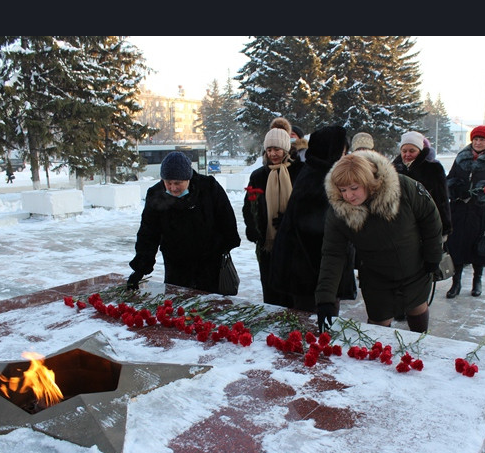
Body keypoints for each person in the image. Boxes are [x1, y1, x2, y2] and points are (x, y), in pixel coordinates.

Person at [315, 151, 443, 333]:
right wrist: (326, 299)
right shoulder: (339, 212)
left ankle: (420, 343)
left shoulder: (403, 187)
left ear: (368, 181)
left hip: (415, 268)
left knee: (417, 308)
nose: (349, 196)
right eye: (343, 190)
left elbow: (431, 219)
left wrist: (433, 257)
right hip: (376, 277)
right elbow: (333, 254)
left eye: (353, 188)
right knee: (379, 322)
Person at [126, 151, 241, 294]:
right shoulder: (156, 194)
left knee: (209, 309)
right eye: (168, 182)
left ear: (188, 178)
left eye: (177, 183)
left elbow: (227, 222)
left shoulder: (209, 188)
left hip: (209, 265)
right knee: (177, 308)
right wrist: (140, 269)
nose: (173, 188)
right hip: (176, 266)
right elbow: (148, 233)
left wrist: (220, 248)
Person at [270, 125, 357, 313]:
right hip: (311, 273)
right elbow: (314, 232)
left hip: (315, 272)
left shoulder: (318, 172)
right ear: (330, 151)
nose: (345, 157)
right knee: (315, 325)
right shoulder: (319, 179)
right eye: (342, 152)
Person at [242, 127, 304, 306]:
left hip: (293, 242)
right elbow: (249, 206)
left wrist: (290, 221)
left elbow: (304, 205)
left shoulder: (299, 172)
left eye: (277, 149)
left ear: (286, 149)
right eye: (269, 150)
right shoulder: (259, 175)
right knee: (270, 289)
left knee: (291, 288)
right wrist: (253, 228)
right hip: (267, 243)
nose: (273, 154)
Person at [445, 126, 485, 298]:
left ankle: (477, 280)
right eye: (476, 139)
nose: (478, 143)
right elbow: (450, 178)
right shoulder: (461, 157)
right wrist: (455, 189)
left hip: (481, 211)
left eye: (482, 140)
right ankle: (455, 283)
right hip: (460, 210)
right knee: (456, 246)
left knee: (478, 247)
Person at [393, 131, 452, 241]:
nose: (407, 154)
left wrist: (444, 228)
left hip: (426, 225)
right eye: (404, 151)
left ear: (420, 151)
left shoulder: (433, 168)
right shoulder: (394, 169)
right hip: (400, 227)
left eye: (412, 151)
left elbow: (442, 200)